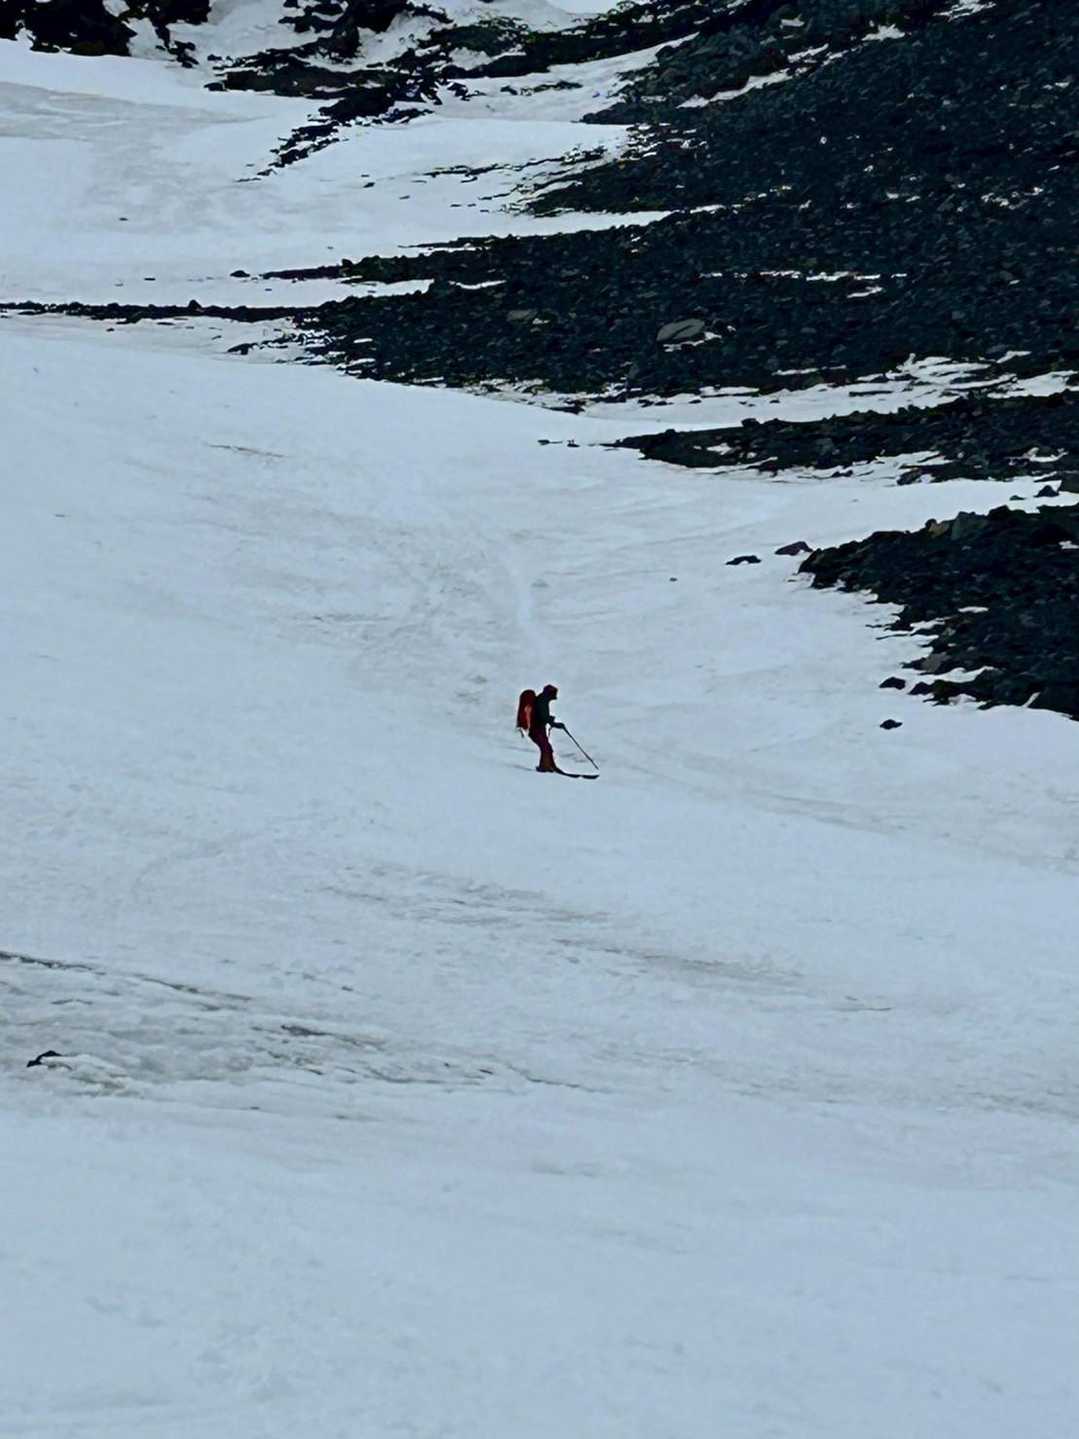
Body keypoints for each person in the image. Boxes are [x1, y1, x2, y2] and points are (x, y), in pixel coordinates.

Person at [528, 683, 564, 772]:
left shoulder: (543, 699)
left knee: (547, 747)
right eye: (554, 694)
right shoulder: (542, 701)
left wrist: (551, 720)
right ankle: (545, 766)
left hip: (539, 728)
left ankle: (550, 765)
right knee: (546, 747)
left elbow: (542, 715)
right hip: (536, 729)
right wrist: (554, 723)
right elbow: (543, 716)